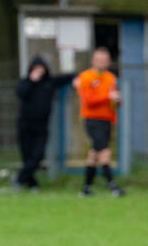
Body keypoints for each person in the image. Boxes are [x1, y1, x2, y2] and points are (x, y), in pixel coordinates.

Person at [15, 55, 77, 190]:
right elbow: (20, 93)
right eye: (36, 68)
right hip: (25, 125)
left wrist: (77, 79)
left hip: (41, 126)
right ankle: (31, 183)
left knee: (38, 155)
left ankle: (19, 178)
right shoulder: (26, 82)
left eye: (41, 68)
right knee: (27, 156)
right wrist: (32, 81)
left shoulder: (49, 82)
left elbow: (67, 77)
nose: (39, 71)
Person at [76, 47, 125, 197]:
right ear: (93, 61)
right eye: (99, 60)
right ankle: (113, 186)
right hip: (92, 119)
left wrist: (117, 100)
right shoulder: (86, 77)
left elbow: (114, 101)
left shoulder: (110, 78)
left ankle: (86, 188)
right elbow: (88, 100)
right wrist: (107, 97)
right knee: (104, 152)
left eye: (105, 61)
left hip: (107, 120)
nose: (102, 63)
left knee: (94, 154)